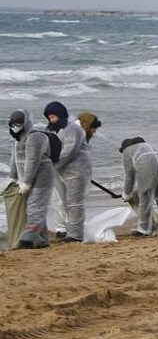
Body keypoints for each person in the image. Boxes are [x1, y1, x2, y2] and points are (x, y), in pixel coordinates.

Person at [44, 101, 91, 242]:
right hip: (61, 171)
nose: (51, 120)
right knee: (63, 202)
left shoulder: (72, 129)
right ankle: (68, 230)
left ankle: (76, 235)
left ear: (61, 115)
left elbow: (69, 151)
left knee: (74, 202)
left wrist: (53, 164)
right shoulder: (52, 130)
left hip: (76, 170)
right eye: (49, 118)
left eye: (53, 117)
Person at [7, 110, 54, 248]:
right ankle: (42, 240)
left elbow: (33, 160)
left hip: (42, 179)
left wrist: (26, 182)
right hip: (26, 179)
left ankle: (27, 239)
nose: (16, 126)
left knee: (35, 208)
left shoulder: (35, 137)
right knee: (34, 208)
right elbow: (14, 159)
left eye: (19, 123)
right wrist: (12, 178)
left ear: (26, 122)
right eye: (14, 123)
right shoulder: (17, 138)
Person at [119, 137, 158, 236]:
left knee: (145, 196)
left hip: (148, 164)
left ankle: (144, 229)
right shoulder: (148, 146)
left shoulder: (127, 151)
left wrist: (126, 194)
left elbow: (129, 176)